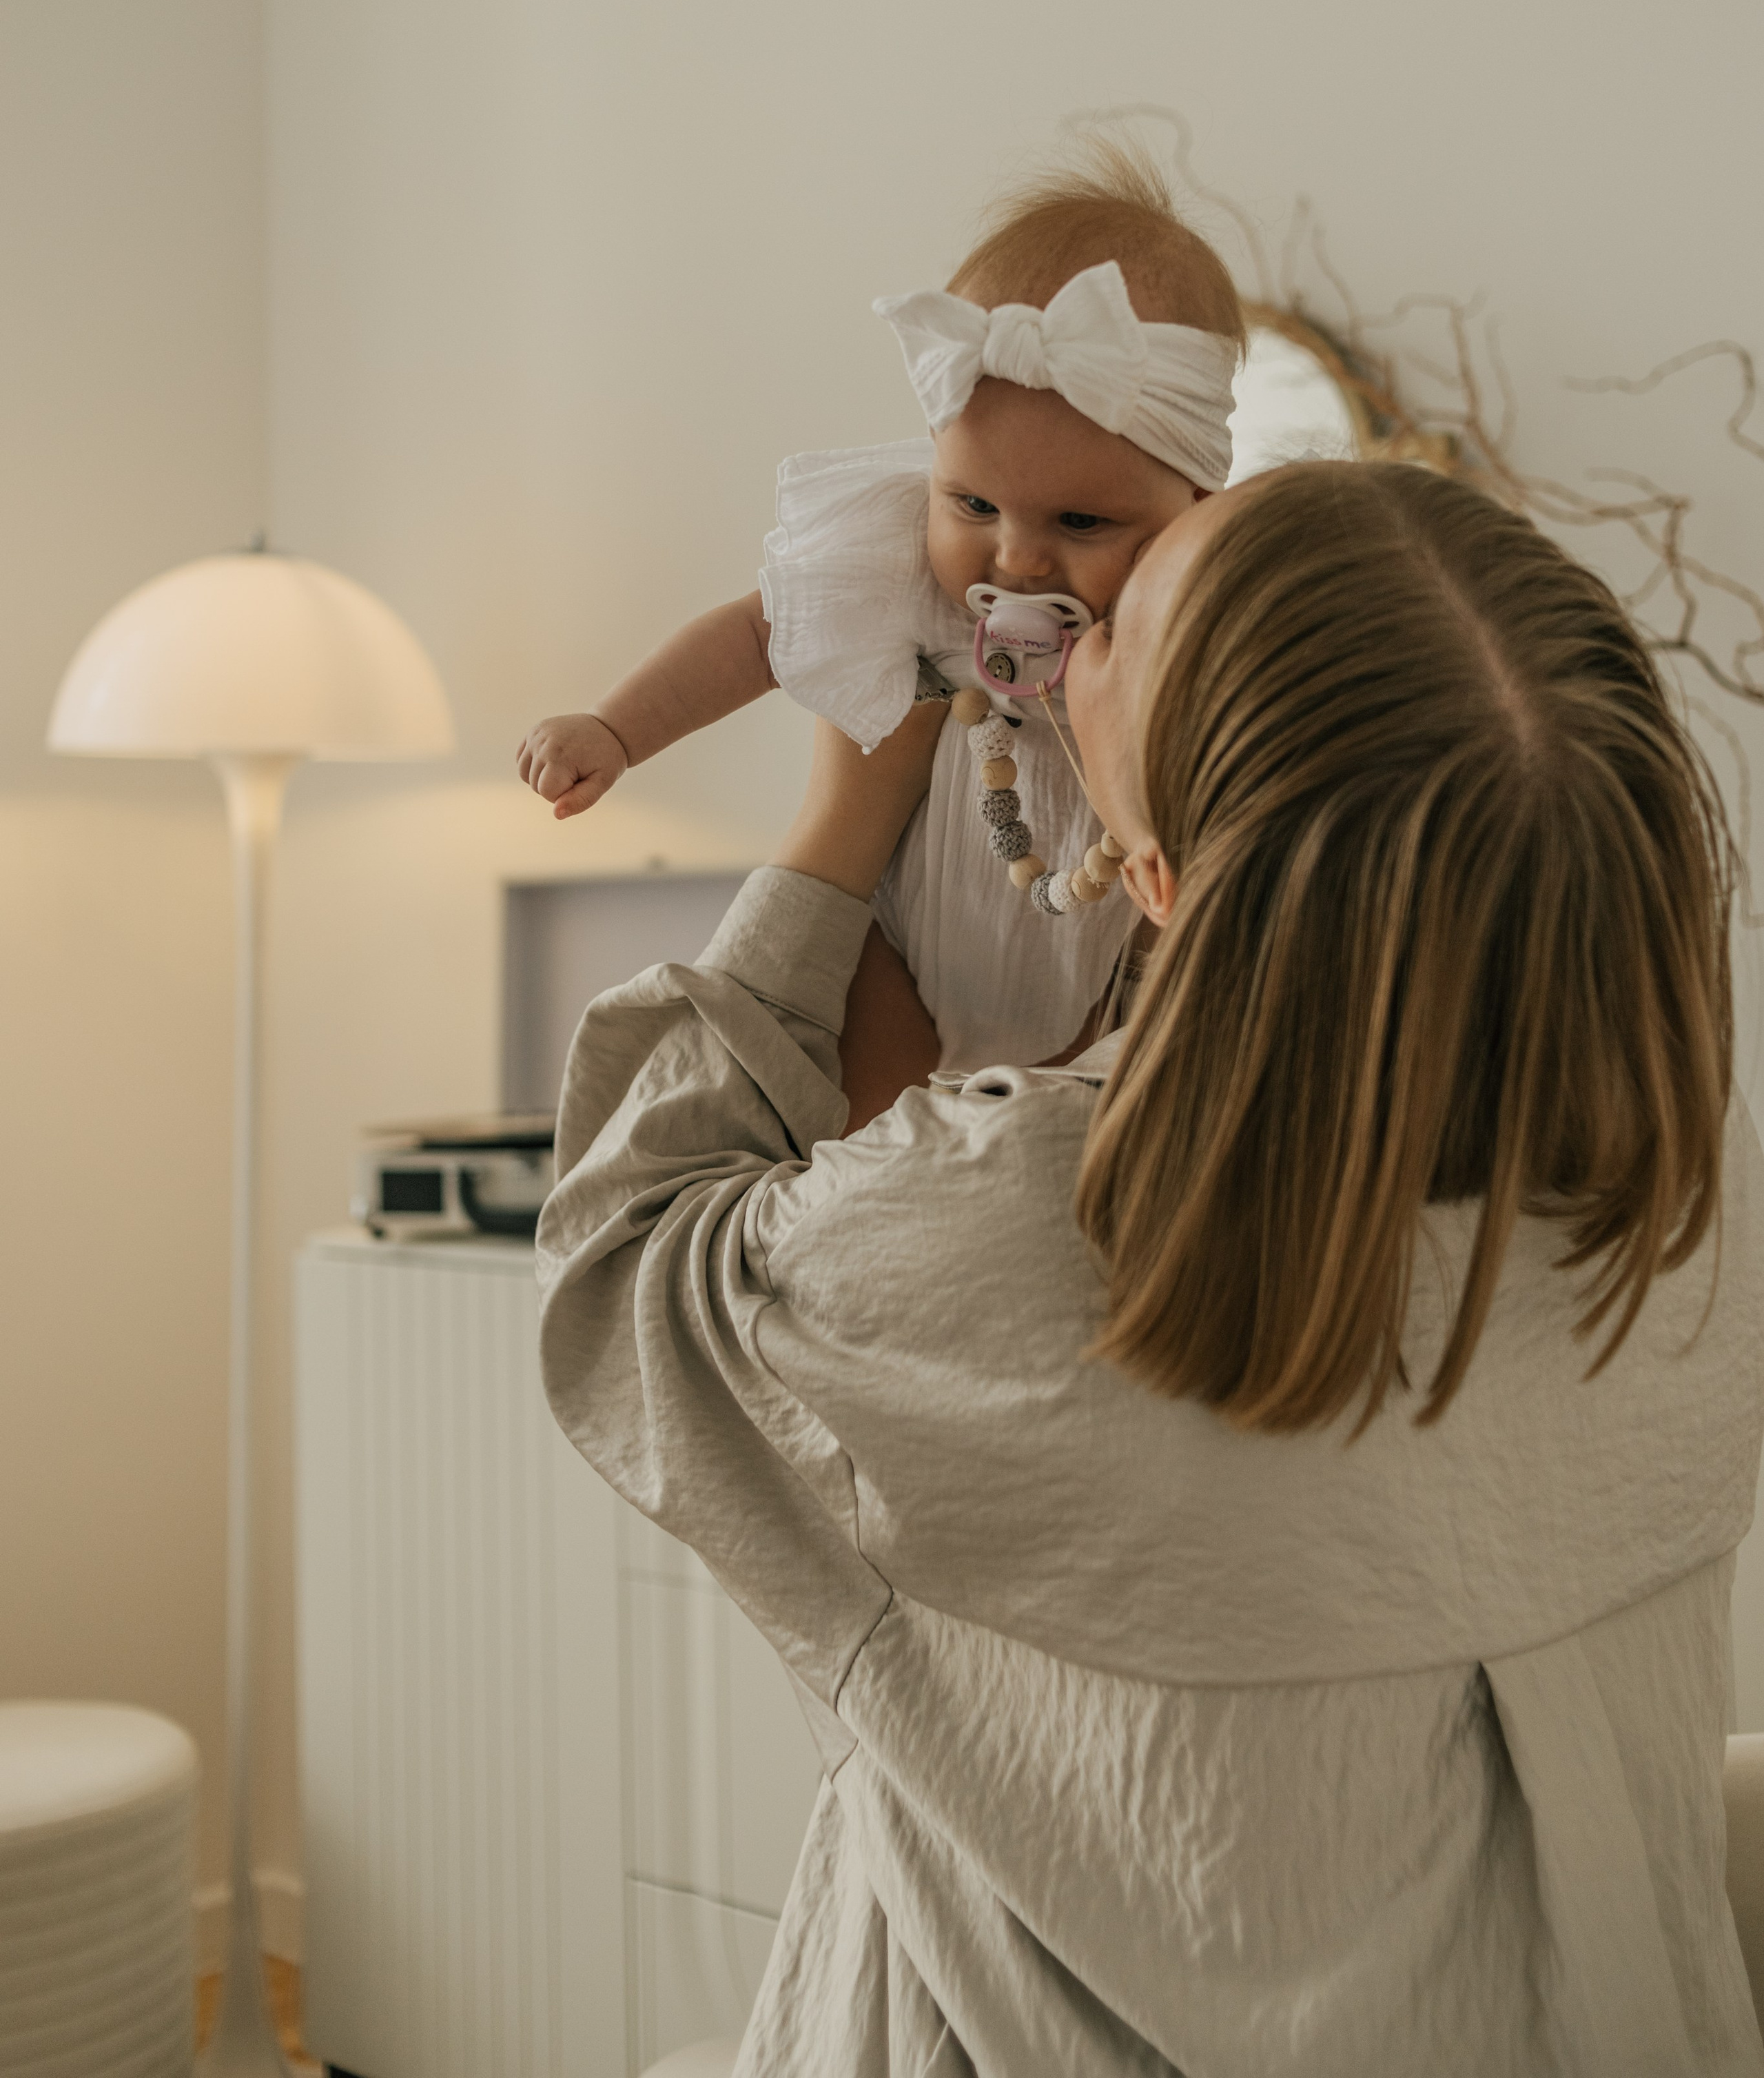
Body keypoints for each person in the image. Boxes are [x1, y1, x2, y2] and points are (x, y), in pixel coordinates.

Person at [536, 459, 1764, 2077]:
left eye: (1122, 636)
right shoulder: (1680, 1215)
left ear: (1163, 886)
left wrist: (841, 827)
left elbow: (622, 1265)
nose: (1069, 627)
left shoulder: (1016, 1223)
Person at [515, 145, 1243, 1101]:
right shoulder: (901, 562)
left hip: (1108, 961)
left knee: (1086, 1110)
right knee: (868, 1117)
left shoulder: (1198, 615)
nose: (1015, 558)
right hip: (902, 941)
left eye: (1080, 523)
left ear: (1194, 501)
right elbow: (754, 636)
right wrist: (618, 728)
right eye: (973, 505)